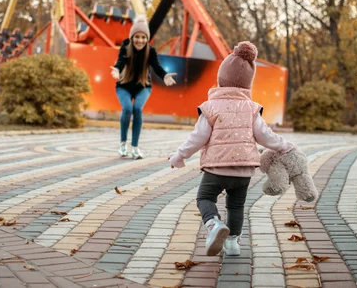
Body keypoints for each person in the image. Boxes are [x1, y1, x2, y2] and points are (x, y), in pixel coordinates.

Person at [168, 41, 295, 256]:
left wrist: (180, 156)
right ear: (248, 84)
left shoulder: (210, 107)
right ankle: (232, 243)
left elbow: (198, 137)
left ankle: (213, 224)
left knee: (204, 198)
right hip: (244, 170)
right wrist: (285, 146)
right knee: (236, 206)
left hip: (216, 169)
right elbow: (265, 136)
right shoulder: (252, 109)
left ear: (221, 79)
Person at [111, 16, 177, 159]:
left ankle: (135, 147)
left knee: (137, 109)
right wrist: (117, 69)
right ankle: (123, 144)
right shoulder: (125, 46)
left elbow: (156, 67)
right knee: (128, 108)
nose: (140, 40)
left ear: (147, 38)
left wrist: (164, 76)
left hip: (143, 87)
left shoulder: (151, 52)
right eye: (137, 37)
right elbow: (121, 61)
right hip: (124, 86)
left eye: (143, 37)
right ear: (132, 37)